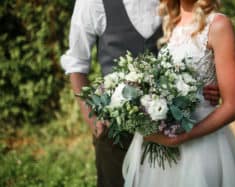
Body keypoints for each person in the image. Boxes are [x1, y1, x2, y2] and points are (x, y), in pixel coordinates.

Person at [61, 0, 220, 186]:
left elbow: (194, 41)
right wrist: (91, 117)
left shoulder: (171, 2)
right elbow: (77, 63)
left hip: (167, 129)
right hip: (116, 132)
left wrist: (204, 86)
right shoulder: (93, 3)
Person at [122, 0, 235, 186]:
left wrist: (182, 138)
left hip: (201, 145)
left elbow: (234, 105)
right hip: (163, 148)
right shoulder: (170, 24)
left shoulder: (218, 25)